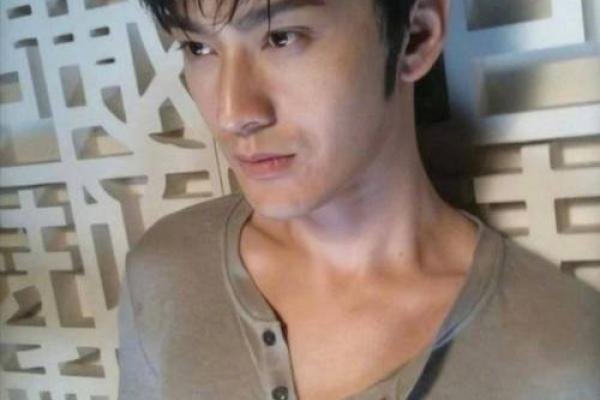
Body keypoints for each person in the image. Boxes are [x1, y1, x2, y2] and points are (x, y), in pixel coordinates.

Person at [118, 0, 600, 399]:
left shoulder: (562, 356)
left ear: (415, 37)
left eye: (282, 37)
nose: (233, 113)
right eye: (198, 47)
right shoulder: (168, 270)